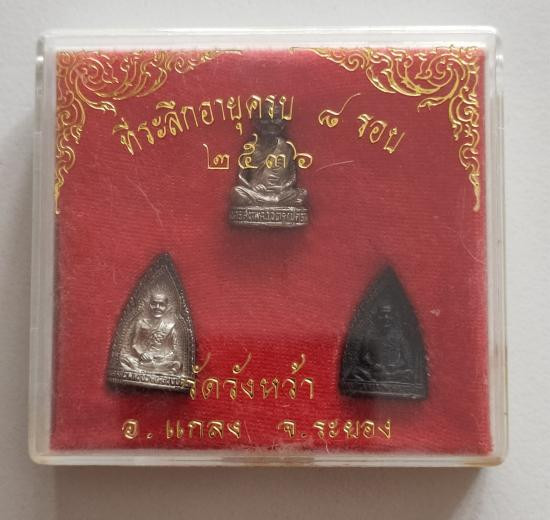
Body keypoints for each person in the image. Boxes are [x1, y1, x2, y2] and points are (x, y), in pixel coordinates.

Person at [231, 102, 307, 207]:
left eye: (276, 119)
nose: (271, 123)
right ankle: (272, 203)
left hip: (279, 194)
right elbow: (241, 176)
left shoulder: (286, 147)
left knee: (302, 194)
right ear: (257, 122)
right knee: (237, 192)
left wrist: (282, 187)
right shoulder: (251, 147)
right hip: (257, 193)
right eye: (266, 119)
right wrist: (252, 187)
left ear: (282, 123)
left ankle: (268, 202)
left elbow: (292, 176)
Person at [120, 291, 182, 374]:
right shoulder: (141, 323)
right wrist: (141, 354)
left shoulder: (170, 327)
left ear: (166, 307)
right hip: (141, 361)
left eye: (161, 305)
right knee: (123, 359)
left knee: (177, 364)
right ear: (149, 305)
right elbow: (134, 344)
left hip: (159, 363)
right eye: (154, 304)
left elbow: (174, 351)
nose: (157, 307)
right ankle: (152, 374)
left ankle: (142, 373)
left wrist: (164, 357)